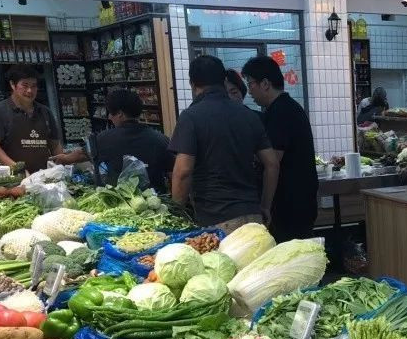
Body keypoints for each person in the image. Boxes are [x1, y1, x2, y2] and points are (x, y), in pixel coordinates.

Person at [169, 55, 279, 233]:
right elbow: (272, 163)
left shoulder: (191, 117)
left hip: (217, 221)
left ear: (192, 84)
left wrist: (176, 215)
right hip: (254, 217)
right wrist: (265, 206)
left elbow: (182, 172)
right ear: (223, 81)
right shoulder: (248, 115)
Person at [242, 55, 318, 242]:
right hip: (298, 202)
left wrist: (265, 206)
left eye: (251, 84)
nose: (249, 91)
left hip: (291, 205)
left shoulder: (281, 112)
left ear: (265, 83)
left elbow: (272, 163)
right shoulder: (284, 108)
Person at [0, 65, 71, 173]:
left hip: (44, 176)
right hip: (12, 179)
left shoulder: (45, 112)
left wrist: (61, 168)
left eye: (34, 86)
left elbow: (55, 145)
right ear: (12, 85)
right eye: (25, 85)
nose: (30, 90)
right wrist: (16, 168)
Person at [93, 88, 173, 191]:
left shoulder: (103, 139)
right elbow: (175, 174)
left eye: (111, 113)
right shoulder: (160, 139)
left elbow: (81, 155)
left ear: (120, 114)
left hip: (117, 201)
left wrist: (65, 157)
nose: (109, 117)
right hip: (156, 202)